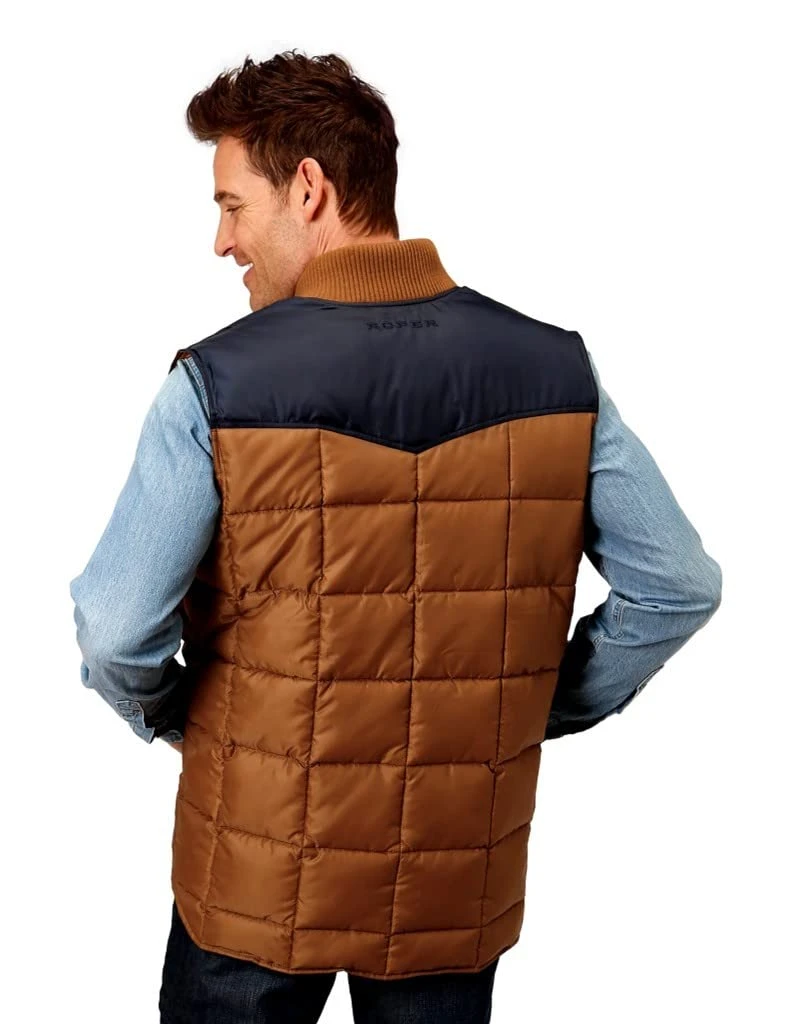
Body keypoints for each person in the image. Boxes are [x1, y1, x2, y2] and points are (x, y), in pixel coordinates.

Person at [68, 49, 723, 1024]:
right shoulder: (555, 371)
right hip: (451, 884)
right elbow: (677, 585)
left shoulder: (218, 383)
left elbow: (115, 627)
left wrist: (176, 716)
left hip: (252, 881)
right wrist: (528, 706)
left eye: (233, 206)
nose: (220, 240)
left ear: (309, 188)